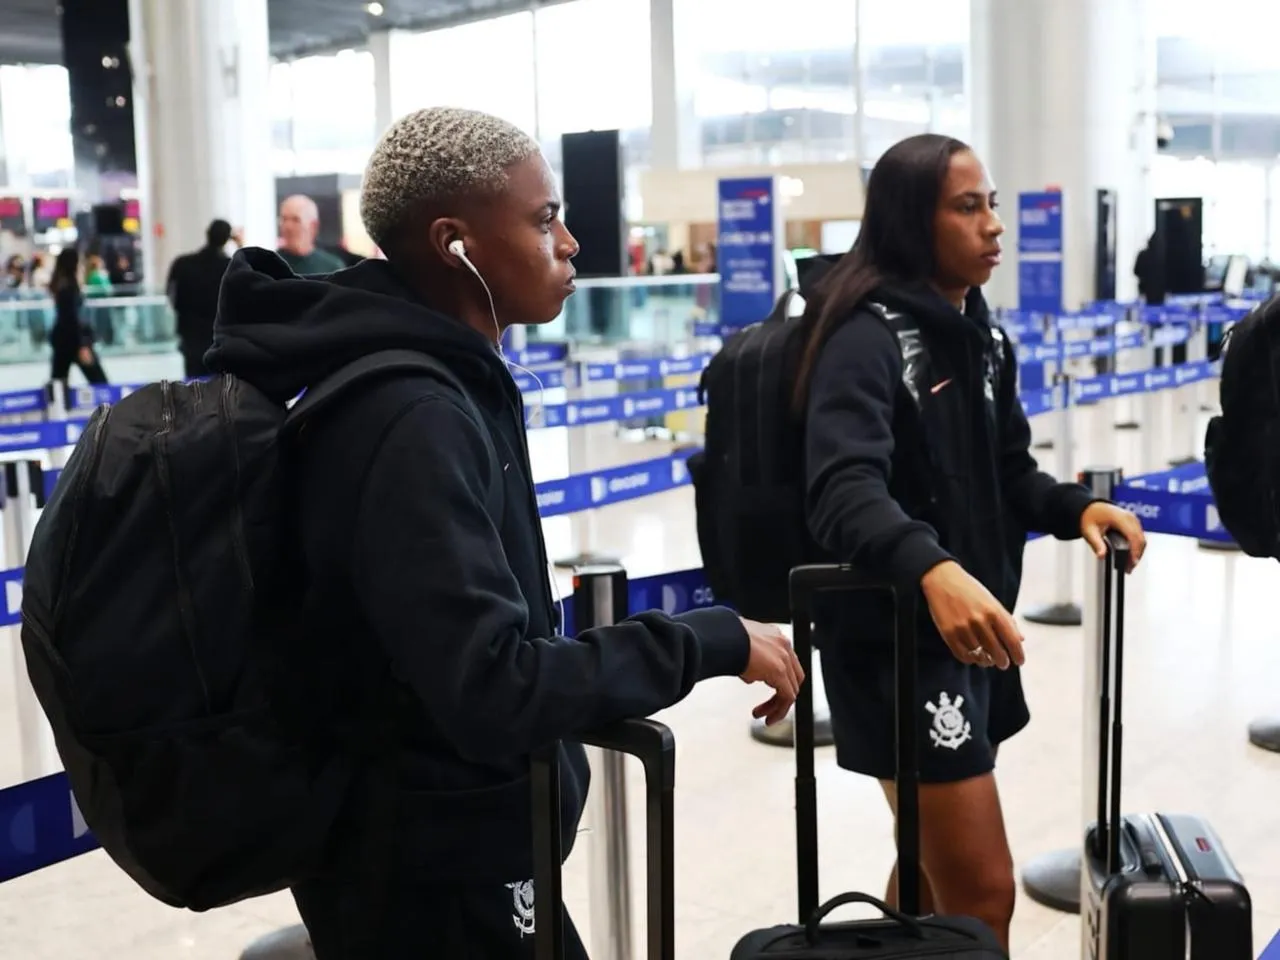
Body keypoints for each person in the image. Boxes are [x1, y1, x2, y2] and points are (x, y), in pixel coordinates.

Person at [205, 106, 803, 959]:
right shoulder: (411, 417)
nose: (571, 243)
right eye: (544, 218)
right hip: (431, 863)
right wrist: (710, 641)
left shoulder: (438, 382)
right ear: (457, 243)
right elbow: (494, 685)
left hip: (461, 838)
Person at [795, 133, 1146, 948]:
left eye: (992, 203)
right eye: (967, 206)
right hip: (895, 646)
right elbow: (843, 490)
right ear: (914, 221)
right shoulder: (865, 338)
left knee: (922, 870)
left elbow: (1008, 471)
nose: (993, 225)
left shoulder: (979, 334)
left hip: (963, 636)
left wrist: (1074, 509)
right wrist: (933, 569)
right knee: (983, 892)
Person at [167, 219, 241, 377]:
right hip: (220, 337)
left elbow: (171, 295)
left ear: (207, 234)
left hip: (190, 334)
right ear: (228, 239)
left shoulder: (182, 264)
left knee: (193, 383)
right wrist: (240, 245)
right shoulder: (230, 267)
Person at [47, 248, 108, 386]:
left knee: (58, 385)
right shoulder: (68, 289)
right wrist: (82, 345)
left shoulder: (63, 286)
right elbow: (71, 318)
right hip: (73, 341)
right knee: (101, 385)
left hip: (63, 341)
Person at [276, 194, 346, 276]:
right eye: (284, 219)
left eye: (296, 220)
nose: (288, 227)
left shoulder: (332, 268)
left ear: (313, 226)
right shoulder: (269, 265)